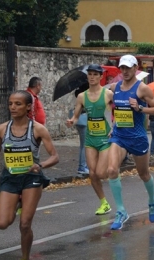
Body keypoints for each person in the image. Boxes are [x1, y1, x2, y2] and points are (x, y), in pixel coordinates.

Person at [0, 90, 59, 260]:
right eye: (11, 104)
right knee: (2, 223)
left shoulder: (38, 129)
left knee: (24, 224)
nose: (13, 107)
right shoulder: (2, 129)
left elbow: (55, 156)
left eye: (18, 104)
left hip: (32, 178)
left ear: (28, 106)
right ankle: (18, 202)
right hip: (10, 178)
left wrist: (40, 165)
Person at [107, 54, 154, 230]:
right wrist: (113, 125)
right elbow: (116, 109)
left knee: (143, 174)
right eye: (122, 68)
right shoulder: (115, 88)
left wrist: (139, 108)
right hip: (120, 136)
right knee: (111, 170)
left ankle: (152, 200)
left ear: (135, 68)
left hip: (137, 137)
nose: (124, 71)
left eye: (128, 68)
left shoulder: (142, 88)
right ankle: (121, 210)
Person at [66, 64, 115, 215]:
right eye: (90, 74)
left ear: (101, 77)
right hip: (90, 139)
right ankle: (104, 203)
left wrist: (115, 127)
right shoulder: (82, 96)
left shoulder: (108, 94)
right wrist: (71, 121)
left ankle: (114, 171)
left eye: (95, 74)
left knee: (101, 173)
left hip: (105, 138)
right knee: (92, 174)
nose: (92, 77)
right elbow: (75, 116)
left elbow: (119, 111)